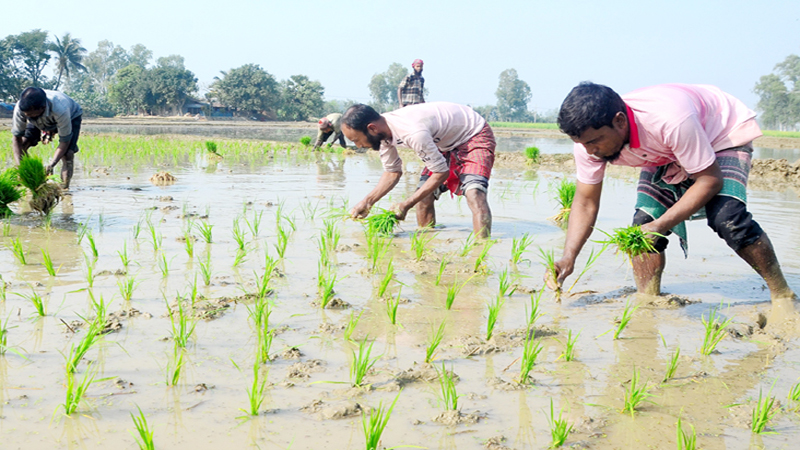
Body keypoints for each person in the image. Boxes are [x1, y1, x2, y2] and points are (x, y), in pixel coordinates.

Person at [549, 82, 796, 304]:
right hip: (664, 149)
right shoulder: (588, 144)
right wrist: (568, 257)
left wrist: (662, 223)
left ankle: (782, 295)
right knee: (642, 226)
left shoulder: (670, 120)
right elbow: (585, 203)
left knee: (728, 218)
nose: (590, 151)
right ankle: (647, 300)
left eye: (596, 141)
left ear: (620, 121)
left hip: (720, 135)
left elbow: (709, 180)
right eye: (583, 144)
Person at [341, 102, 495, 237]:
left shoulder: (413, 133)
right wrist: (367, 202)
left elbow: (441, 173)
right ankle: (426, 242)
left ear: (372, 128)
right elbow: (392, 172)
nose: (359, 146)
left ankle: (480, 252)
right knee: (423, 196)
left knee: (475, 193)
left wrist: (406, 204)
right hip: (444, 141)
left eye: (356, 140)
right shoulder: (382, 132)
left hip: (473, 134)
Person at [10, 87, 83, 189]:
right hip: (39, 119)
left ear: (43, 107)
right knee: (23, 144)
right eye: (27, 115)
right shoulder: (22, 109)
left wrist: (51, 164)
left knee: (68, 153)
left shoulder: (60, 109)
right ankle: (27, 179)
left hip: (71, 116)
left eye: (31, 115)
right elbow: (17, 138)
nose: (29, 116)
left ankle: (64, 188)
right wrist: (21, 168)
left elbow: (64, 141)